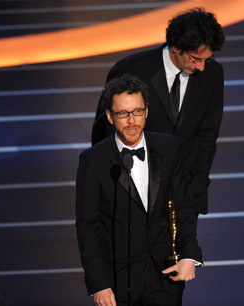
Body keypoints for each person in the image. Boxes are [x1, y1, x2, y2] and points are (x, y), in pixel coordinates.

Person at [76, 74, 202, 306]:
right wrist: (99, 284)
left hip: (165, 277)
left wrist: (189, 255)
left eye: (137, 111)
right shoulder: (93, 161)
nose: (131, 121)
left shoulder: (168, 147)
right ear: (110, 117)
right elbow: (88, 227)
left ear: (147, 112)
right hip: (117, 282)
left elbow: (183, 205)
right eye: (123, 113)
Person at [92, 8, 225, 215]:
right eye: (195, 59)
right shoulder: (131, 70)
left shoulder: (213, 74)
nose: (201, 67)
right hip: (133, 192)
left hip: (184, 194)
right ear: (176, 47)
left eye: (206, 59)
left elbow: (208, 135)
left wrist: (197, 188)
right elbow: (105, 133)